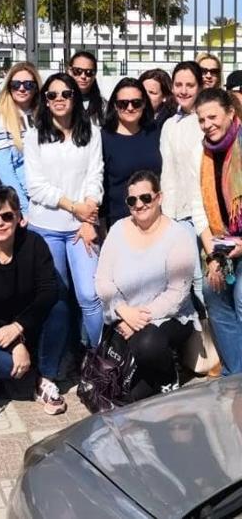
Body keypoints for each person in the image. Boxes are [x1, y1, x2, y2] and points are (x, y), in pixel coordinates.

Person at [0, 186, 68, 414]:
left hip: (28, 320)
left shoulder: (34, 244)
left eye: (7, 216)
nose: (0, 223)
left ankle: (44, 378)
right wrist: (16, 344)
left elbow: (48, 291)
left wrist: (18, 328)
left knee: (59, 307)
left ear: (18, 217)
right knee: (8, 367)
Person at [97, 170, 200, 400]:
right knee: (120, 395)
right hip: (124, 315)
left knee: (147, 343)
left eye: (145, 198)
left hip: (168, 317)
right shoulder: (117, 230)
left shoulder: (178, 235)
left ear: (159, 197)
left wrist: (138, 318)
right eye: (132, 200)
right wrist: (123, 310)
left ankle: (167, 378)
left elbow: (177, 294)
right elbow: (102, 280)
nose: (139, 205)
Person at [24, 72, 104, 347]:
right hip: (46, 226)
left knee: (90, 294)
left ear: (75, 97)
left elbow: (95, 176)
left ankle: (101, 356)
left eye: (66, 94)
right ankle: (54, 362)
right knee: (57, 296)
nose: (59, 99)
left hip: (81, 226)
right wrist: (74, 206)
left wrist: (88, 214)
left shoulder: (92, 132)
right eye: (52, 94)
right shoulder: (35, 136)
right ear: (45, 100)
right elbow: (35, 186)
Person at [194, 88, 242, 374]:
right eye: (201, 120)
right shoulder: (205, 152)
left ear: (231, 113)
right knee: (212, 293)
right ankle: (236, 375)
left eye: (213, 117)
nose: (208, 124)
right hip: (223, 243)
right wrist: (215, 251)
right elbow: (200, 202)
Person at [161, 61, 205, 275]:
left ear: (200, 86)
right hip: (177, 213)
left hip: (204, 211)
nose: (184, 90)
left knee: (205, 277)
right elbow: (167, 172)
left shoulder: (206, 121)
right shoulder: (169, 125)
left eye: (190, 85)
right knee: (189, 275)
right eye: (179, 84)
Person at [101, 78, 162, 229]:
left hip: (155, 219)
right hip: (119, 221)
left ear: (144, 104)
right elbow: (98, 184)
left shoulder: (156, 132)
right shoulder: (104, 138)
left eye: (136, 103)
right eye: (123, 103)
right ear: (115, 106)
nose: (130, 108)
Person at [0, 62, 42, 212]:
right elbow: (5, 170)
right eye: (16, 84)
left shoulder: (44, 115)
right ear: (8, 87)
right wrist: (23, 208)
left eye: (29, 84)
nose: (22, 88)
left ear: (36, 87)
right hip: (23, 201)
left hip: (46, 196)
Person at [66, 51, 105, 127]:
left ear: (94, 75)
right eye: (77, 71)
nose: (83, 76)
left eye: (89, 72)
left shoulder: (103, 106)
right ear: (69, 71)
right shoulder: (57, 100)